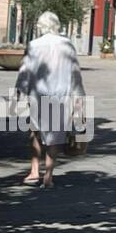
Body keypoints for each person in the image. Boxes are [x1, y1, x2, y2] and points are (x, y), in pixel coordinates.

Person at [14, 11, 86, 188]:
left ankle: (34, 171)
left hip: (37, 94)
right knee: (55, 136)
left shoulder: (34, 45)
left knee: (35, 131)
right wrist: (79, 98)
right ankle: (48, 176)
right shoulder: (67, 45)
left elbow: (25, 71)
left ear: (41, 26)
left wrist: (19, 93)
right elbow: (75, 74)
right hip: (61, 95)